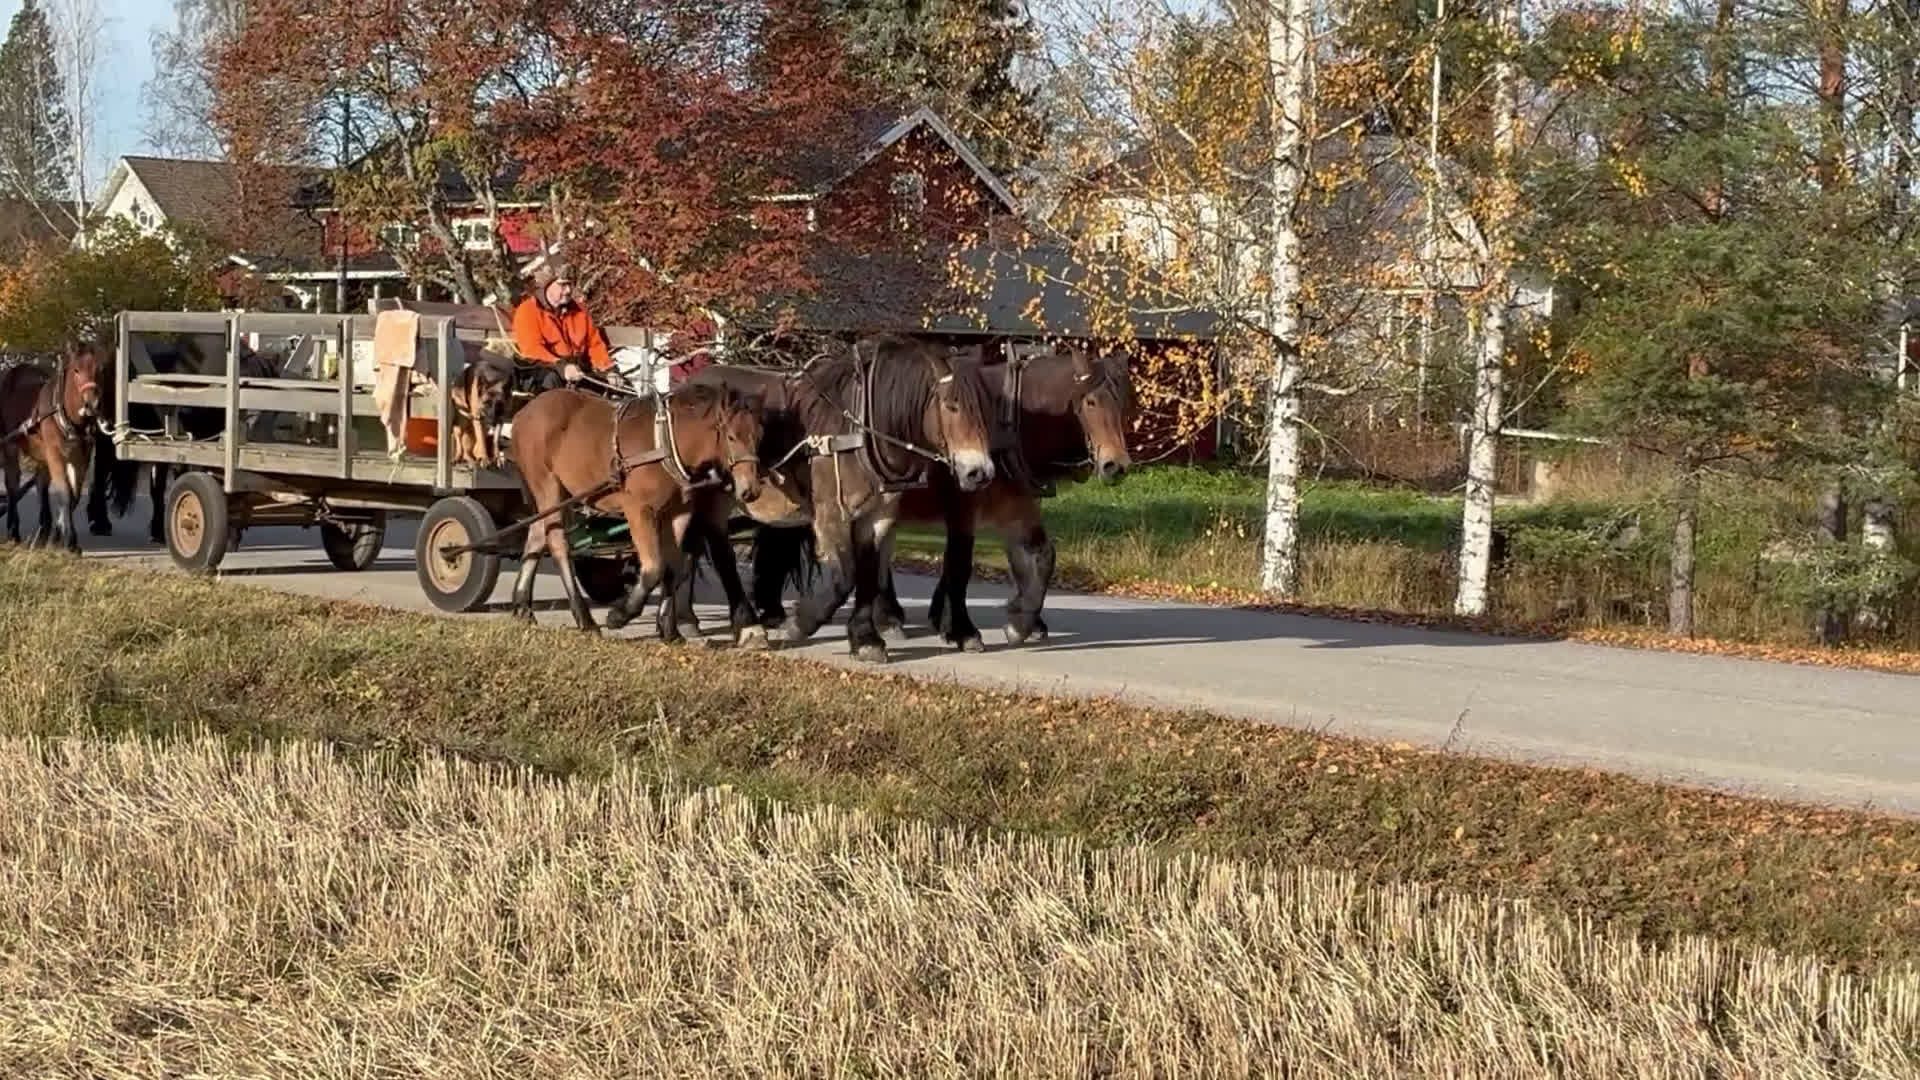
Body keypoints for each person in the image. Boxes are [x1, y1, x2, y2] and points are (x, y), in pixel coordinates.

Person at [511, 262, 620, 394]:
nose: (568, 290)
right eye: (562, 285)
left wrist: (609, 370)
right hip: (544, 370)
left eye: (570, 284)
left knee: (620, 391)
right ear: (548, 285)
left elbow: (594, 344)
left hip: (578, 370)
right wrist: (562, 368)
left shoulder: (579, 311)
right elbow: (532, 350)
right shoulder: (527, 311)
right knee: (552, 382)